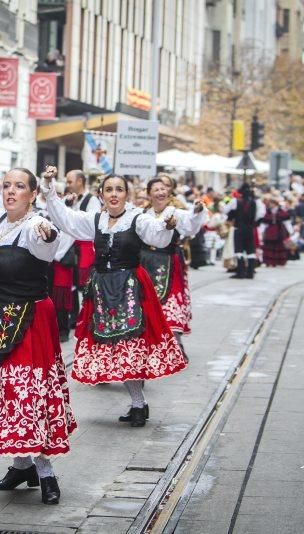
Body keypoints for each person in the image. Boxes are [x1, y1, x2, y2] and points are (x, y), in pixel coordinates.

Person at [0, 147, 75, 506]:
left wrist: (47, 232)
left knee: (29, 391)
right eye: (6, 185)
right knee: (8, 392)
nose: (10, 191)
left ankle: (45, 472)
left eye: (19, 186)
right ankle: (21, 465)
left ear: (32, 194)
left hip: (29, 319)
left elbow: (49, 245)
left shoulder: (33, 226)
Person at [41, 169, 186, 428]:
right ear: (101, 195)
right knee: (114, 349)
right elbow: (66, 219)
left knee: (130, 347)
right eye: (109, 190)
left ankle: (139, 405)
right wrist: (49, 187)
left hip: (130, 289)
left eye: (119, 189)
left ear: (127, 195)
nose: (114, 194)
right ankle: (138, 404)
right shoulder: (96, 220)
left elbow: (157, 235)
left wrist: (166, 224)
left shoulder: (137, 219)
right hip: (103, 291)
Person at [141, 176, 207, 347]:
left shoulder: (176, 212)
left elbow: (191, 224)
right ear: (149, 194)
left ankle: (174, 344)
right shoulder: (142, 214)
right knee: (145, 301)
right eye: (156, 189)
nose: (161, 192)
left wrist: (197, 210)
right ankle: (150, 342)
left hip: (169, 262)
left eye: (164, 189)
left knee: (170, 301)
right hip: (145, 263)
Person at [64, 170, 101, 328]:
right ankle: (74, 315)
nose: (68, 185)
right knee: (71, 282)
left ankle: (88, 315)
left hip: (85, 247)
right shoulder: (70, 199)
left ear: (80, 181)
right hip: (71, 246)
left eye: (70, 182)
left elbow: (92, 224)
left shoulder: (92, 200)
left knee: (85, 284)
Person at [223, 182, 265, 279]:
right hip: (250, 229)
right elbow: (261, 214)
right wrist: (254, 222)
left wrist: (233, 216)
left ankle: (241, 272)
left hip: (239, 228)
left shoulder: (235, 201)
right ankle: (250, 272)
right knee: (250, 250)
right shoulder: (256, 202)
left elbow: (226, 210)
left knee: (239, 250)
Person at [259, 196, 292, 267]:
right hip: (270, 231)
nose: (270, 205)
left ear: (275, 204)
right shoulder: (267, 212)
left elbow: (287, 222)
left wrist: (290, 231)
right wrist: (261, 232)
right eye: (270, 203)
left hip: (280, 231)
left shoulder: (282, 212)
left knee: (279, 246)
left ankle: (279, 261)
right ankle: (269, 262)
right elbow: (264, 223)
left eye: (272, 203)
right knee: (269, 246)